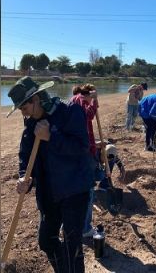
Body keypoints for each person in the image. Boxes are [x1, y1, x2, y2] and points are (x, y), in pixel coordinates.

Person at [9, 77, 94, 273]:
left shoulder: (69, 112)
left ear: (36, 98)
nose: (22, 111)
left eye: (23, 106)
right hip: (48, 193)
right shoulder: (30, 125)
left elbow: (82, 147)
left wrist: (51, 137)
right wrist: (25, 178)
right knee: (46, 240)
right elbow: (26, 155)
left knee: (72, 244)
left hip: (74, 189)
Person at [69, 84, 101, 238]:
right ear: (88, 93)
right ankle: (85, 228)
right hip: (85, 151)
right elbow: (88, 115)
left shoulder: (73, 99)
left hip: (76, 150)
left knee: (75, 188)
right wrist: (94, 101)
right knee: (88, 189)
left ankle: (70, 224)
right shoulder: (81, 99)